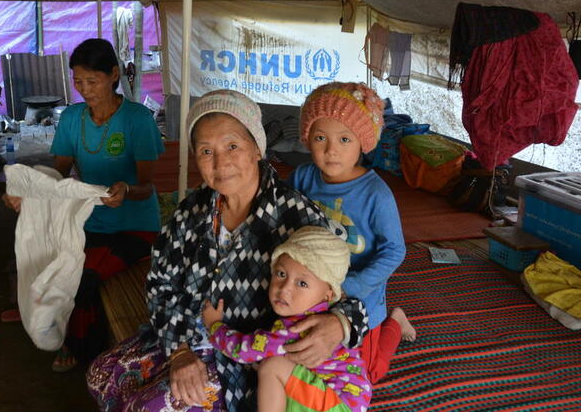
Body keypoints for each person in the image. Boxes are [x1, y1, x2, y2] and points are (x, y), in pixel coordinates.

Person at [88, 89, 368, 412]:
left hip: (245, 358)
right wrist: (179, 352)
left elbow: (344, 294)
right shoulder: (192, 210)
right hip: (185, 336)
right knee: (100, 374)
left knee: (149, 408)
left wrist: (339, 325)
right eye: (206, 151)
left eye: (232, 146)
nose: (220, 163)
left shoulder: (297, 217)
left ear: (256, 149)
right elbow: (160, 282)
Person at [2, 38, 164, 372]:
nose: (85, 90)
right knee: (47, 262)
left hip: (135, 227)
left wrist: (125, 189)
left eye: (93, 81)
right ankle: (59, 328)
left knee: (81, 276)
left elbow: (147, 187)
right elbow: (56, 174)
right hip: (87, 221)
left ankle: (82, 349)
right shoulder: (73, 118)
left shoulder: (137, 120)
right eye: (78, 82)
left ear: (114, 75)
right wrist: (27, 192)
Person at [288, 82, 416, 384]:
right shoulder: (302, 178)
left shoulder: (376, 194)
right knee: (303, 357)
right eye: (320, 138)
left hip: (361, 296)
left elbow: (395, 250)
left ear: (363, 142)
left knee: (367, 373)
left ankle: (394, 322)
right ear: (307, 139)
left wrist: (353, 286)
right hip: (311, 291)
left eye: (344, 139)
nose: (331, 150)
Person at [201, 226, 372, 412]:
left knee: (271, 367)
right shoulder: (326, 315)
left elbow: (241, 350)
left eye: (302, 283)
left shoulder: (294, 328)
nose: (285, 289)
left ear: (328, 294)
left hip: (335, 404)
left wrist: (214, 325)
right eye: (281, 274)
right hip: (345, 401)